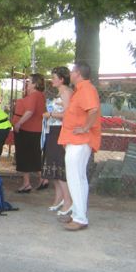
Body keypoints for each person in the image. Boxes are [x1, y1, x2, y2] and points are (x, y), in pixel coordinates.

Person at [58, 62, 101, 231]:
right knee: (79, 179)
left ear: (77, 73)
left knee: (76, 179)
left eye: (71, 71)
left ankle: (80, 218)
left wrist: (85, 128)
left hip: (80, 141)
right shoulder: (81, 90)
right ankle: (78, 213)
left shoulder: (86, 89)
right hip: (76, 141)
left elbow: (93, 110)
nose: (70, 74)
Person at [42, 67, 73, 216]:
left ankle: (68, 201)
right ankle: (58, 198)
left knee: (60, 165)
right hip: (52, 130)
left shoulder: (67, 93)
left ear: (62, 79)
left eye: (54, 77)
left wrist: (51, 114)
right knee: (53, 165)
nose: (52, 80)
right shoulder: (59, 93)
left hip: (61, 131)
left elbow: (68, 114)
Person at [12, 74, 47, 193]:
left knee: (26, 156)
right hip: (34, 130)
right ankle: (37, 180)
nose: (27, 84)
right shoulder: (40, 96)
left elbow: (30, 111)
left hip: (27, 130)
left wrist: (19, 123)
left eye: (29, 81)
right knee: (31, 156)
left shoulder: (34, 95)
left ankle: (33, 181)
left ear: (35, 84)